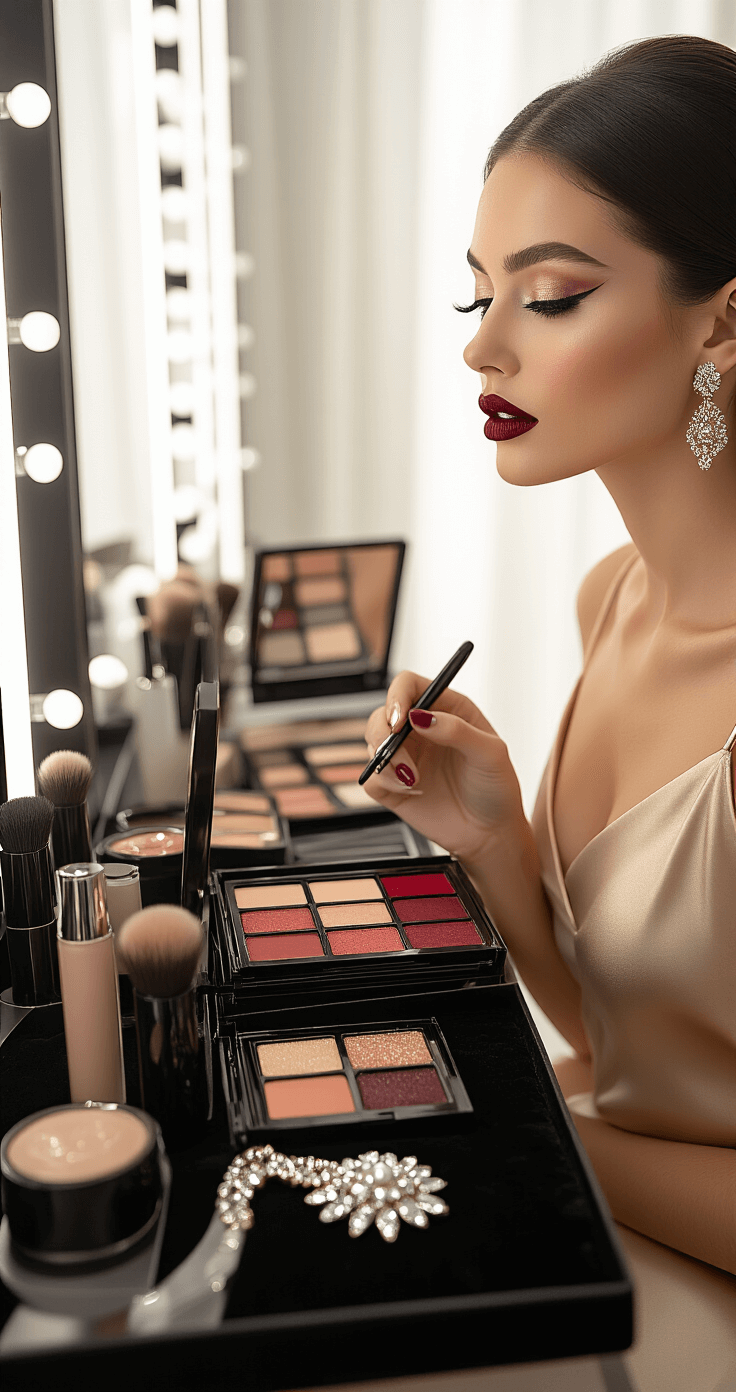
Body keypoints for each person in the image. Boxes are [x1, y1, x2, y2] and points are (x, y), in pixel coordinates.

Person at [364, 34, 736, 1392]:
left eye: (554, 295)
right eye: (478, 294)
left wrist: (542, 1129)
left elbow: (609, 1099)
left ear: (724, 324)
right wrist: (496, 841)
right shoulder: (610, 598)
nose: (484, 346)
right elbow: (635, 1046)